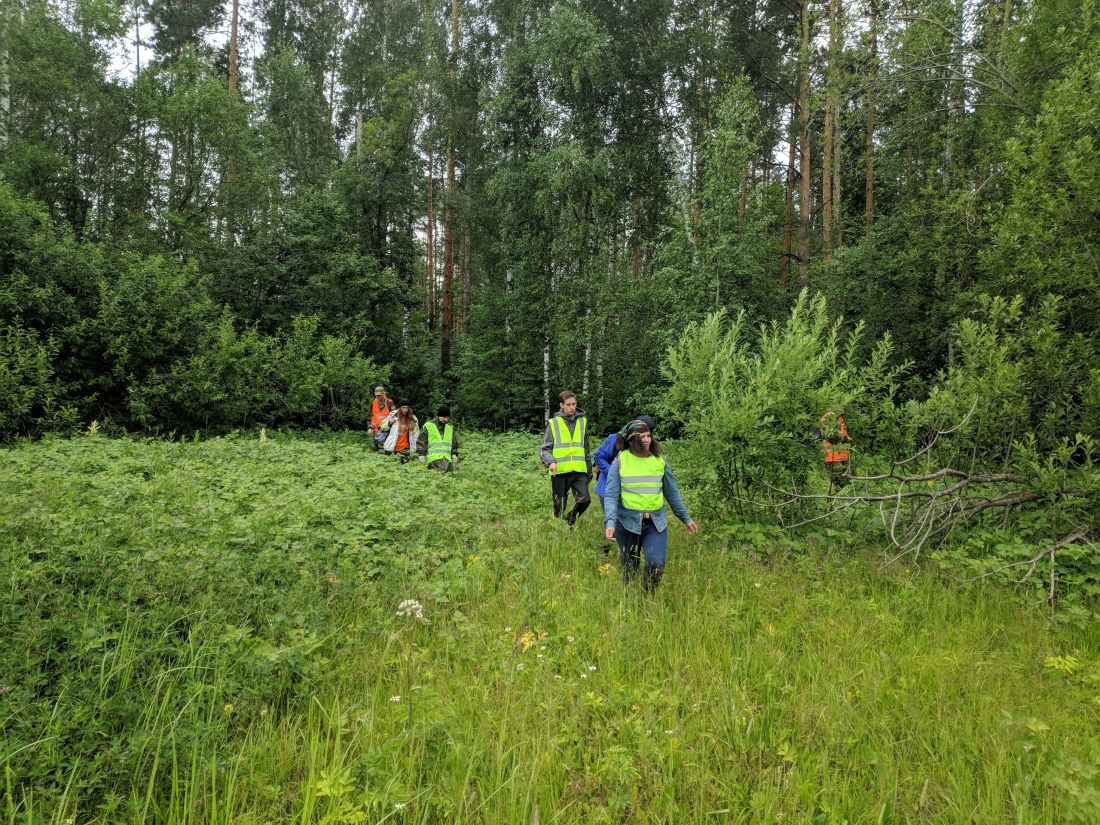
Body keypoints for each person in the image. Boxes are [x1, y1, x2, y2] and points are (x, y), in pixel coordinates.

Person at [603, 419, 698, 591]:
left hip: (655, 523)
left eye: (648, 436)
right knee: (630, 568)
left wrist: (685, 518)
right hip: (627, 523)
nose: (647, 440)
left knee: (656, 564)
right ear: (632, 440)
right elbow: (610, 495)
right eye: (642, 437)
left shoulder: (659, 460)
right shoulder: (620, 461)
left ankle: (647, 598)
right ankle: (629, 601)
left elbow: (672, 492)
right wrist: (610, 522)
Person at [594, 414, 656, 554]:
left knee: (628, 521)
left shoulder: (647, 445)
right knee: (612, 520)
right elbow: (598, 456)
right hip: (607, 489)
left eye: (648, 433)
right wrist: (614, 473)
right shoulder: (615, 439)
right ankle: (606, 551)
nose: (645, 438)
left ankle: (629, 553)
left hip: (629, 493)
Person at [539, 390, 592, 526]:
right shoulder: (553, 423)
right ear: (562, 405)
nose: (572, 407)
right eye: (568, 404)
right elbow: (544, 449)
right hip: (560, 472)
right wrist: (551, 462)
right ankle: (559, 529)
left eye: (574, 404)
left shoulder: (583, 422)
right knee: (559, 505)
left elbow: (586, 449)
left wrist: (589, 471)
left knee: (585, 500)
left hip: (579, 471)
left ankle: (571, 518)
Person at [418, 405, 458, 472]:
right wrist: (421, 454)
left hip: (447, 460)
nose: (446, 419)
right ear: (438, 416)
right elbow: (422, 441)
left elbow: (454, 443)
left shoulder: (450, 428)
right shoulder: (428, 426)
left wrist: (454, 454)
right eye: (444, 417)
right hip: (433, 460)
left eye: (447, 417)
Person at [818, 411, 851, 489]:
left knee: (844, 483)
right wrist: (845, 438)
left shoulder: (838, 417)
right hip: (832, 456)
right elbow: (830, 436)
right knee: (837, 483)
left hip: (841, 455)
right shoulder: (829, 416)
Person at [368, 386, 394, 450]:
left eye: (379, 395)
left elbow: (394, 415)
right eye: (377, 395)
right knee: (376, 449)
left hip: (386, 430)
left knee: (386, 448)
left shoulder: (389, 402)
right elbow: (370, 415)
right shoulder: (373, 402)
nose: (378, 397)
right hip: (375, 429)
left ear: (383, 393)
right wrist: (369, 427)